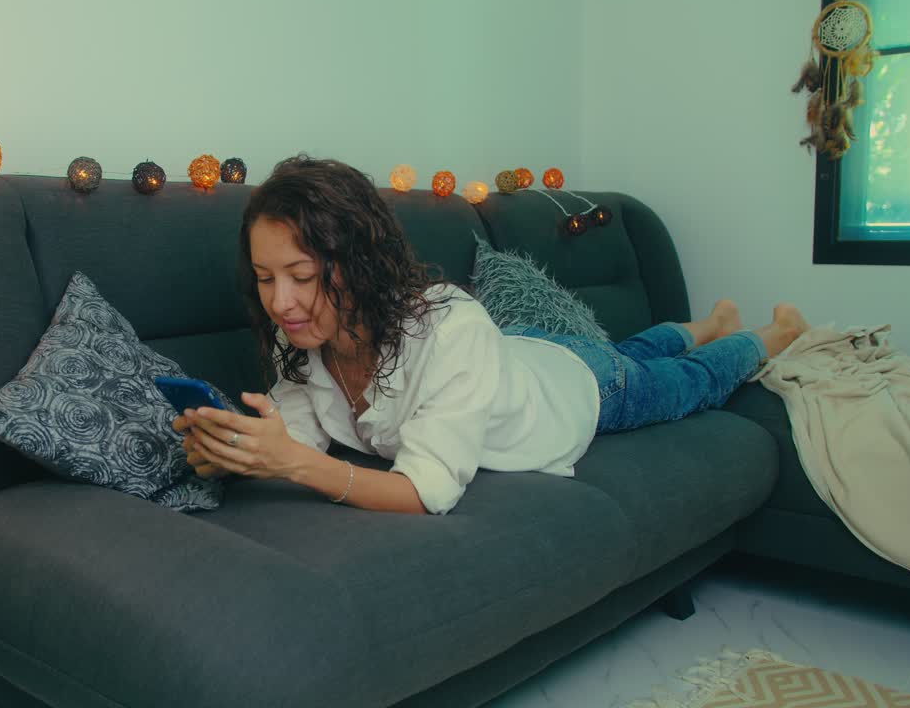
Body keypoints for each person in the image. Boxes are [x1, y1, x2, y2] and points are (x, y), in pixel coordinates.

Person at [172, 156, 809, 515]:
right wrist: (237, 452)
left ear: (356, 264)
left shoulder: (449, 329)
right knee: (632, 350)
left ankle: (767, 334)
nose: (280, 302)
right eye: (263, 278)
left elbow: (426, 492)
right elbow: (296, 435)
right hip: (513, 355)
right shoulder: (307, 338)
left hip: (574, 385)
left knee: (675, 381)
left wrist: (296, 464)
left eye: (301, 276)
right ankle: (705, 324)